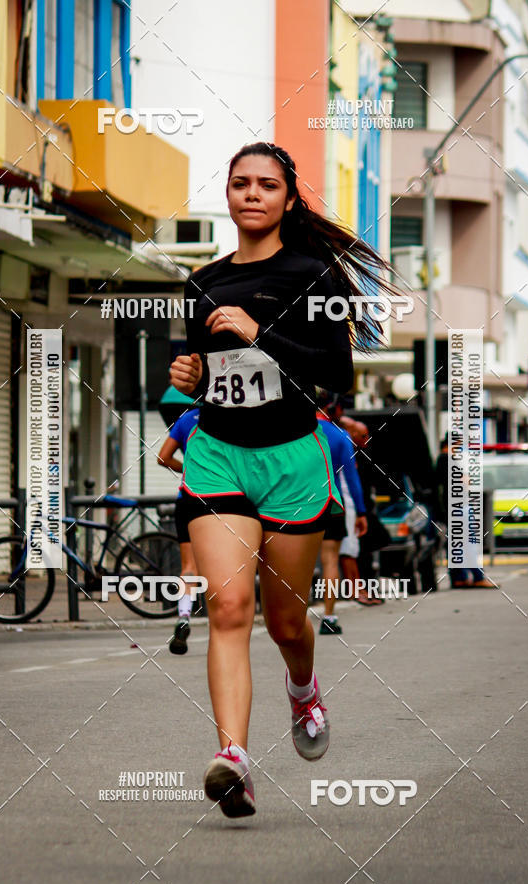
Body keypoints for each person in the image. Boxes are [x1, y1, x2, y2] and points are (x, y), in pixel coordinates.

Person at [170, 141, 393, 818]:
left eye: (268, 184)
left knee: (286, 621)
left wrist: (259, 332)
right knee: (228, 608)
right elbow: (208, 370)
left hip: (293, 455)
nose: (253, 193)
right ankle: (233, 758)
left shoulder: (312, 274)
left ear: (288, 199)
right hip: (219, 454)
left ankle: (303, 687)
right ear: (229, 194)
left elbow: (335, 376)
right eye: (240, 183)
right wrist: (193, 379)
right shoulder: (202, 281)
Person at [316, 396, 368, 633]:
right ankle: (329, 617)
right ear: (333, 407)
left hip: (296, 505)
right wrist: (361, 511)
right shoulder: (339, 436)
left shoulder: (295, 432)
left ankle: (294, 618)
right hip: (331, 502)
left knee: (299, 564)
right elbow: (352, 478)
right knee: (330, 562)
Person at [157, 406, 201, 654]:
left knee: (189, 567)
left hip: (187, 497)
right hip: (222, 499)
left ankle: (184, 615)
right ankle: (224, 628)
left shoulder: (186, 419)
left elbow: (163, 457)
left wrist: (188, 470)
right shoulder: (231, 416)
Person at [435, 436, 497, 589]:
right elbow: (464, 481)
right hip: (458, 508)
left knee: (457, 545)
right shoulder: (447, 460)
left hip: (452, 508)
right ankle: (477, 576)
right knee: (468, 544)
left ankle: (459, 577)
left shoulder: (441, 461)